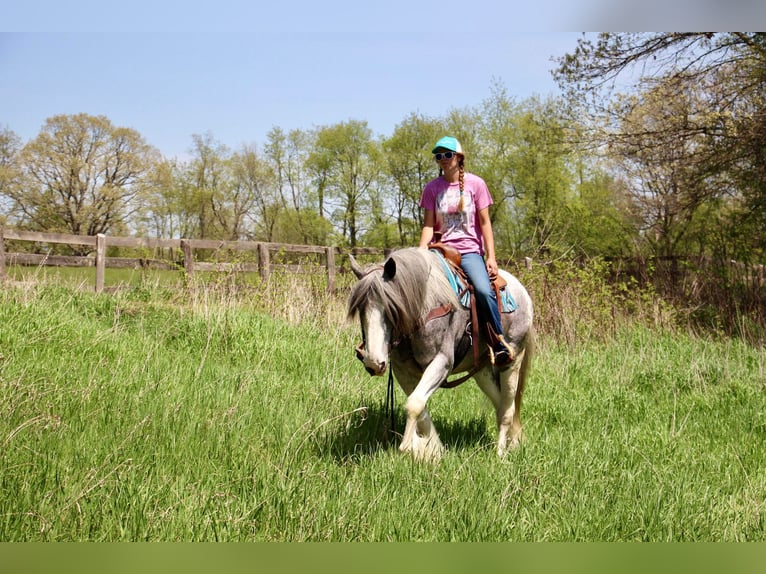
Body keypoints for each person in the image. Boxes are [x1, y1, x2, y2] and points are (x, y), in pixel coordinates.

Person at [418, 136, 513, 367]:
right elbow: (429, 225)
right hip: (440, 252)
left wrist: (491, 257)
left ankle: (497, 341)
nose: (443, 160)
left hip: (469, 252)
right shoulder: (432, 188)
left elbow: (485, 223)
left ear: (459, 157)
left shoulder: (476, 184)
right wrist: (420, 254)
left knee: (482, 289)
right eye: (439, 156)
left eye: (447, 155)